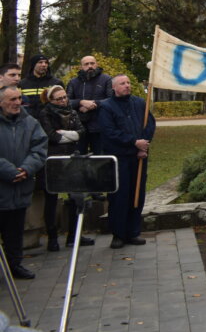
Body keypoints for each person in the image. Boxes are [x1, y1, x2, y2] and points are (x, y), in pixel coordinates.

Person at [99, 75, 155, 249]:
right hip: (119, 158)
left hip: (138, 158)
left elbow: (150, 124)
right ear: (114, 87)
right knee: (119, 197)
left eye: (129, 82)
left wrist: (143, 146)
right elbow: (109, 132)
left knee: (136, 194)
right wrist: (133, 142)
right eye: (122, 83)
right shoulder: (106, 106)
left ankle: (133, 231)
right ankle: (118, 234)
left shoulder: (139, 103)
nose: (127, 86)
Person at [37, 86, 94, 250]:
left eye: (64, 97)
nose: (63, 101)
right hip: (53, 158)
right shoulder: (45, 113)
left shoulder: (72, 111)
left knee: (76, 197)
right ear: (50, 100)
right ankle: (52, 237)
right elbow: (52, 137)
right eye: (59, 99)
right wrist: (70, 135)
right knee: (51, 199)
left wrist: (66, 134)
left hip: (71, 156)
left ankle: (74, 236)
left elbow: (81, 132)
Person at [0, 86, 47, 279]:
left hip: (20, 187)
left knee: (15, 231)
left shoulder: (30, 122)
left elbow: (40, 148)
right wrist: (8, 171)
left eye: (19, 98)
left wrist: (27, 168)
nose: (17, 102)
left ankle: (15, 265)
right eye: (12, 99)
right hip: (2, 186)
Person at [66, 55, 114, 155]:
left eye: (92, 63)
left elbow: (112, 100)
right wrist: (81, 102)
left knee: (100, 159)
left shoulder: (107, 79)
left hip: (100, 125)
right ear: (81, 67)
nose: (90, 66)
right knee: (79, 158)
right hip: (79, 126)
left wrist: (94, 104)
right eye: (86, 64)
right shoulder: (73, 82)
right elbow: (66, 102)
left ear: (96, 64)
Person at [18, 54, 60, 119]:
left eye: (46, 62)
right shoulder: (22, 83)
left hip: (50, 121)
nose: (44, 65)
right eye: (40, 62)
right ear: (33, 65)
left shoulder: (56, 83)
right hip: (27, 121)